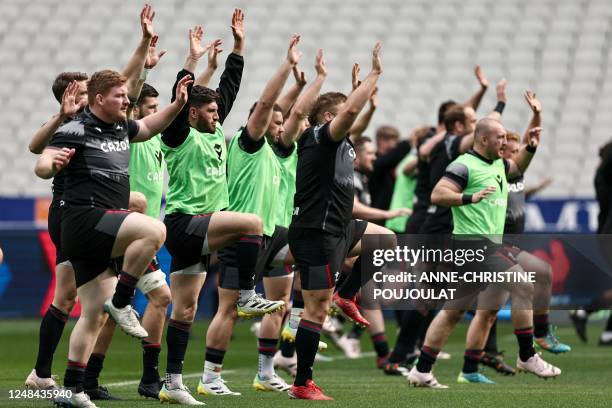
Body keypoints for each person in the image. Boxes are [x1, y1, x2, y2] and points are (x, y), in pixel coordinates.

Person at [25, 6, 163, 398]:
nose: (90, 95)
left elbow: (128, 77)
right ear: (72, 96)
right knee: (69, 296)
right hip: (70, 212)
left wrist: (143, 45)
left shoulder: (102, 119)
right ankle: (44, 375)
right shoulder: (70, 122)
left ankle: (74, 380)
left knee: (86, 300)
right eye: (84, 90)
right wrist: (60, 119)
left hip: (95, 211)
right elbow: (37, 149)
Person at [35, 66, 191, 408]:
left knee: (92, 315)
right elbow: (42, 162)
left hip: (95, 228)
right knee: (154, 229)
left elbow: (150, 126)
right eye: (119, 95)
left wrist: (178, 104)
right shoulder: (77, 126)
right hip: (85, 221)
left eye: (126, 95)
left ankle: (73, 390)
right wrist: (52, 163)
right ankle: (122, 300)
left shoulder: (120, 126)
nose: (126, 100)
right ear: (100, 99)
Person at [157, 12, 284, 405]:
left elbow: (229, 86)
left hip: (202, 230)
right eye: (210, 111)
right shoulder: (179, 134)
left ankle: (172, 382)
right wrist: (192, 63)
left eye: (217, 111)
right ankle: (247, 292)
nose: (217, 115)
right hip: (184, 222)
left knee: (185, 310)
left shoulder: (213, 130)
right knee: (252, 222)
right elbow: (181, 96)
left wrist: (239, 48)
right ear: (191, 113)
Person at [407, 118, 561, 389]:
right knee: (524, 285)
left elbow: (517, 168)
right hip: (474, 246)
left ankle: (421, 370)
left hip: (479, 248)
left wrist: (532, 147)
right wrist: (469, 197)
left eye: (505, 137)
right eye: (499, 137)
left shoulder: (498, 164)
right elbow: (438, 194)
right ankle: (527, 354)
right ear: (483, 139)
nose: (504, 142)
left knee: (453, 312)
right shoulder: (463, 164)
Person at [288, 42, 395, 400]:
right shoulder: (321, 138)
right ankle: (302, 383)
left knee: (387, 241)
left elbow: (352, 115)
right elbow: (349, 113)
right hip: (316, 233)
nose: (348, 119)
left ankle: (347, 295)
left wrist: (355, 89)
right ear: (328, 119)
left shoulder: (341, 142)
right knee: (316, 309)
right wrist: (375, 74)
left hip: (338, 228)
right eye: (340, 115)